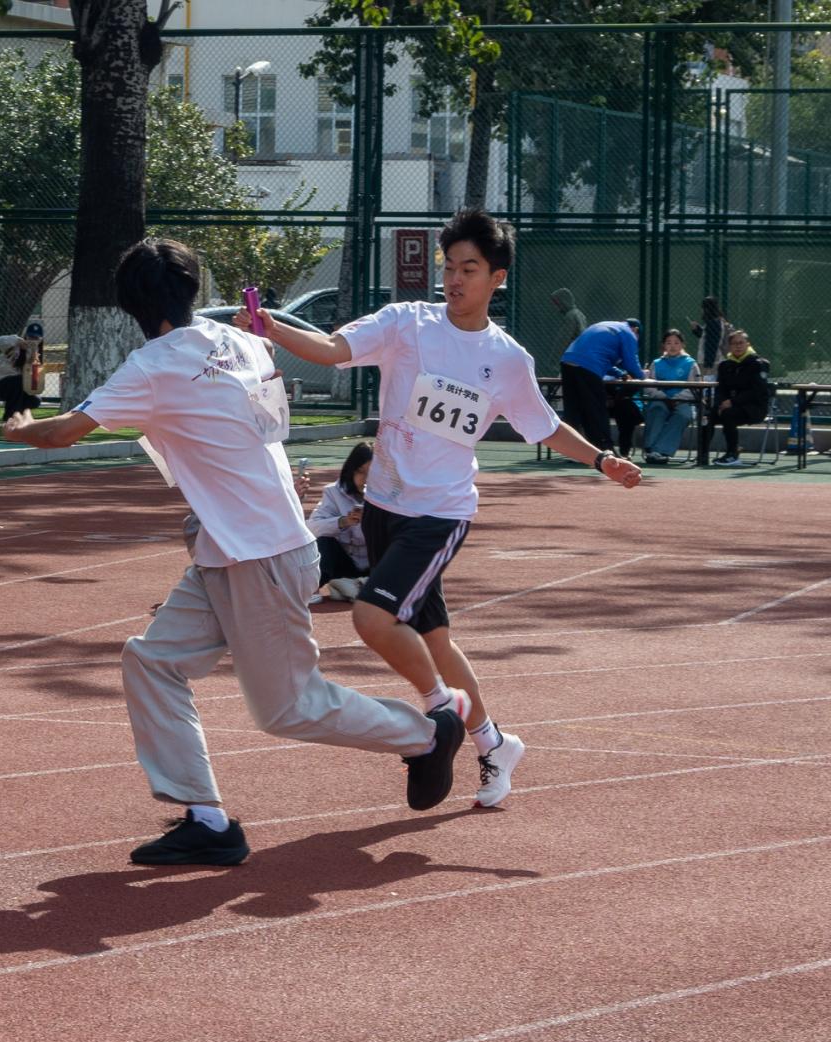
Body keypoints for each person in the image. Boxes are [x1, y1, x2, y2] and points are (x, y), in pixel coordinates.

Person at [2, 238, 467, 866]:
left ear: (129, 306)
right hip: (232, 549)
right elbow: (269, 421)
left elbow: (63, 432)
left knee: (288, 709)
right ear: (191, 290)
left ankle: (426, 734)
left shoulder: (151, 366)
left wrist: (21, 427)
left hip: (262, 554)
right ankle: (206, 818)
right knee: (151, 661)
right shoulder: (241, 341)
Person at [241, 208, 641, 810]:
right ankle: (494, 743)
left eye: (469, 269)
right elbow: (330, 348)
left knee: (371, 619)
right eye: (449, 266)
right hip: (383, 506)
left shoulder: (507, 359)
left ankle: (440, 708)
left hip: (439, 515)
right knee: (437, 641)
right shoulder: (407, 323)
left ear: (496, 278)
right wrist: (272, 328)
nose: (454, 279)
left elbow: (544, 426)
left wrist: (601, 459)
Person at [559, 317, 645, 458]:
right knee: (596, 409)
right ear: (635, 330)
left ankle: (573, 449)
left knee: (573, 409)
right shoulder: (628, 333)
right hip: (588, 366)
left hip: (567, 361)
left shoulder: (607, 325)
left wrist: (620, 373)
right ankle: (605, 450)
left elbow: (599, 357)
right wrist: (643, 377)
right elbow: (631, 362)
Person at [307, 442, 373, 601]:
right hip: (345, 563)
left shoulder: (389, 495)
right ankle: (313, 588)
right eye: (360, 471)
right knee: (324, 542)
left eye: (372, 473)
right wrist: (343, 521)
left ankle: (358, 586)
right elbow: (312, 528)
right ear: (351, 470)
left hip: (375, 564)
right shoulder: (333, 492)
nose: (365, 479)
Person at [701, 329, 772, 467]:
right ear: (729, 346)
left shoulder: (759, 364)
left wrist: (732, 402)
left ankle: (732, 454)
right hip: (729, 405)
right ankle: (702, 455)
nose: (738, 346)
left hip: (754, 408)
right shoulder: (725, 365)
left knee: (728, 414)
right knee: (707, 416)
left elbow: (757, 391)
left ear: (747, 344)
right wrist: (720, 404)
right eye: (734, 343)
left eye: (741, 343)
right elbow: (721, 389)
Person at [641, 328, 699, 465]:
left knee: (683, 415)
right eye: (668, 343)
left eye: (676, 343)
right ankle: (650, 449)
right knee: (656, 410)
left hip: (683, 401)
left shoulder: (691, 363)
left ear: (682, 344)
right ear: (663, 345)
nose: (672, 346)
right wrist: (663, 397)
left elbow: (695, 387)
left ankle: (660, 451)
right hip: (660, 399)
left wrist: (677, 398)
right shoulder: (656, 363)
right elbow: (649, 385)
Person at [689, 295, 730, 379]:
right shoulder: (716, 321)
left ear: (706, 309)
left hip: (711, 363)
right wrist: (697, 330)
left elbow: (712, 344)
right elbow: (707, 336)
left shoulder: (714, 323)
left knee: (708, 383)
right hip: (712, 361)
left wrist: (708, 365)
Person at [551, 288, 588, 362]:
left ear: (564, 302)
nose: (556, 306)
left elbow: (563, 340)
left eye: (557, 303)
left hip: (572, 357)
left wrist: (553, 361)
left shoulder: (570, 316)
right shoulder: (580, 314)